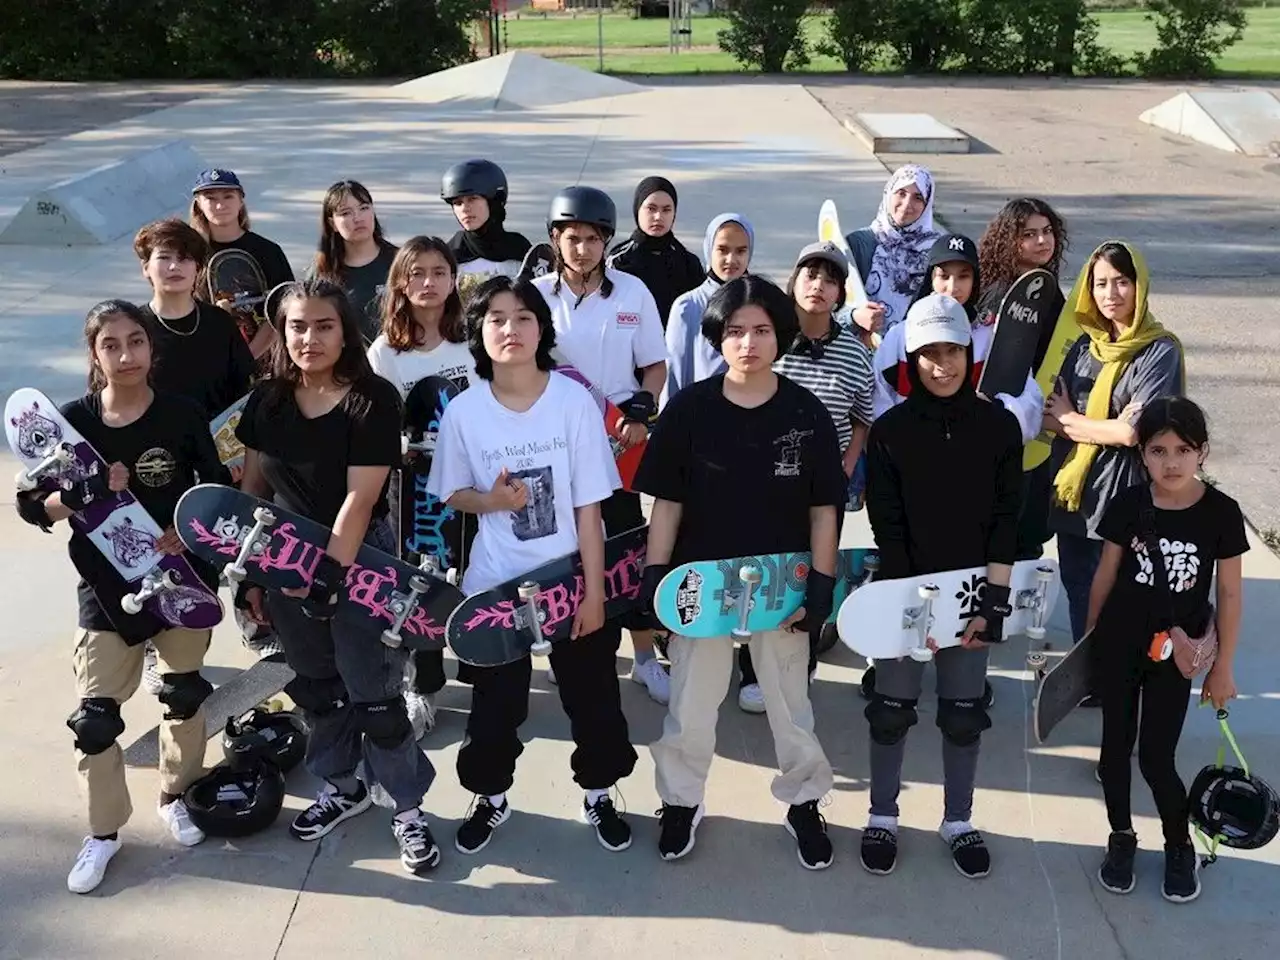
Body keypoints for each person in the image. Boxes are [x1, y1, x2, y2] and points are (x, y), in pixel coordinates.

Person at [14, 300, 230, 894]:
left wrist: (185, 534)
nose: (127, 355)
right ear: (95, 354)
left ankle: (176, 793)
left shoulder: (183, 415)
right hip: (105, 587)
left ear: (150, 348)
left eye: (136, 341)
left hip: (178, 578)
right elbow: (34, 507)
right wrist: (82, 495)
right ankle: (103, 833)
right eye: (112, 345)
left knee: (184, 695)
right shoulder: (70, 423)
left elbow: (215, 494)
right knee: (95, 720)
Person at [234, 278, 441, 876]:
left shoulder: (371, 398)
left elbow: (360, 498)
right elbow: (253, 489)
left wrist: (329, 576)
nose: (309, 338)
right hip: (283, 559)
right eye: (297, 326)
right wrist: (251, 575)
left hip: (357, 561)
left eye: (323, 326)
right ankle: (343, 787)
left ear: (345, 331)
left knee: (374, 696)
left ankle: (407, 807)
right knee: (318, 690)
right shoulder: (267, 400)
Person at [635, 275, 842, 869]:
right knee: (692, 704)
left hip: (783, 583)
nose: (747, 342)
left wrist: (821, 588)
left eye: (760, 331)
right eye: (734, 331)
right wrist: (656, 577)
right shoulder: (690, 410)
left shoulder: (806, 412)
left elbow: (823, 510)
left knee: (789, 703)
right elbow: (666, 505)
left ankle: (804, 801)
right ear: (716, 338)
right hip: (701, 581)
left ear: (780, 337)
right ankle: (681, 801)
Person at [427, 275, 638, 855]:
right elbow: (452, 493)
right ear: (478, 332)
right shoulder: (465, 412)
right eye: (495, 318)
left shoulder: (570, 401)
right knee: (494, 712)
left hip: (570, 582)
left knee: (594, 701)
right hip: (497, 588)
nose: (510, 329)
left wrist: (595, 594)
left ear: (542, 327)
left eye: (523, 316)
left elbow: (590, 508)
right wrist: (491, 501)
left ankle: (599, 791)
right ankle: (490, 796)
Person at [860, 294, 1022, 880]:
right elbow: (889, 524)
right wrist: (914, 616)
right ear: (911, 357)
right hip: (906, 590)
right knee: (890, 711)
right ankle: (882, 814)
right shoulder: (890, 431)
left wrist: (995, 603)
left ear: (969, 352)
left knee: (962, 713)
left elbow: (1008, 519)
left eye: (952, 350)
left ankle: (958, 819)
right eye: (928, 353)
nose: (942, 365)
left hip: (973, 595)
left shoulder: (999, 426)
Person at [1088, 397, 1245, 903]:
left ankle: (1178, 845)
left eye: (1183, 450)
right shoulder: (1129, 506)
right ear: (1142, 455)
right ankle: (1121, 836)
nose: (1171, 462)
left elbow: (1230, 593)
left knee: (1157, 758)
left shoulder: (1221, 512)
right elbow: (1105, 577)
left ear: (1203, 452)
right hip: (1118, 644)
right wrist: (1088, 647)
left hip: (1173, 655)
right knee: (1114, 752)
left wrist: (1223, 668)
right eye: (1158, 450)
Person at [531, 186, 670, 704]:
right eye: (573, 238)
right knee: (560, 545)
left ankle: (645, 660)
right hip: (555, 439)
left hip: (617, 440)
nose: (583, 248)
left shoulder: (633, 292)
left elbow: (654, 366)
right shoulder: (535, 297)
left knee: (626, 547)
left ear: (607, 241)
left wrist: (643, 404)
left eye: (593, 238)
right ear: (555, 240)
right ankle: (565, 643)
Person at [733, 242, 874, 715]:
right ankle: (752, 671)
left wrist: (851, 459)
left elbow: (864, 415)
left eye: (830, 279)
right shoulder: (770, 341)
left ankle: (802, 660)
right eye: (810, 274)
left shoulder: (854, 353)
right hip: (763, 482)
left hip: (821, 487)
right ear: (793, 282)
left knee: (814, 572)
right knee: (761, 573)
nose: (818, 285)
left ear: (840, 293)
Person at [1045, 242, 1185, 706]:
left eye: (1121, 281)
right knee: (1079, 586)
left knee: (1124, 592)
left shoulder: (1159, 351)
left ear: (1139, 286)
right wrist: (1089, 424)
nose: (1111, 293)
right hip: (1077, 490)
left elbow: (1133, 432)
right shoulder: (1084, 348)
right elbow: (1051, 415)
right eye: (1100, 283)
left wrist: (1075, 421)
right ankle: (1091, 674)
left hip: (1127, 494)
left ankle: (1120, 674)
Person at [367, 236, 476, 739]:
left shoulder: (473, 339)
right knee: (422, 579)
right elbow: (374, 421)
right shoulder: (387, 352)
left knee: (475, 574)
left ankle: (482, 659)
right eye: (417, 273)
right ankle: (424, 683)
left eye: (439, 271)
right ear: (400, 283)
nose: (428, 283)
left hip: (474, 484)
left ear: (454, 278)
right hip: (415, 492)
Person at [977, 198, 1071, 561]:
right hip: (1005, 426)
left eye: (1047, 232)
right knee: (1009, 527)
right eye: (1029, 234)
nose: (1042, 241)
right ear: (1009, 240)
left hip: (1037, 423)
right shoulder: (1002, 291)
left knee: (1028, 527)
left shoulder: (1043, 287)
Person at [133, 218, 254, 421]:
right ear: (146, 267)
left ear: (197, 268)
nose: (174, 267)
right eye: (164, 257)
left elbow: (243, 387)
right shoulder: (133, 327)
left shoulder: (219, 322)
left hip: (219, 442)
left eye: (184, 259)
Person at [189, 167, 295, 360]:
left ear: (240, 200)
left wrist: (246, 358)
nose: (220, 205)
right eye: (211, 198)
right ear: (198, 204)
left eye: (228, 196)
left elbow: (284, 309)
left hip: (267, 360)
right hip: (207, 359)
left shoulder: (268, 251)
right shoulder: (189, 254)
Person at [663, 212, 754, 403]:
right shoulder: (688, 306)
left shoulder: (759, 302)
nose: (731, 259)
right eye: (722, 250)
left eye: (741, 251)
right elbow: (673, 374)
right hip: (700, 417)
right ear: (709, 250)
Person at [844, 163, 942, 340]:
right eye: (901, 193)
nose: (907, 204)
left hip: (908, 355)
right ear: (889, 193)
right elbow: (831, 303)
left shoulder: (936, 251)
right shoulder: (858, 243)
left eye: (918, 198)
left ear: (927, 205)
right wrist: (854, 316)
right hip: (858, 351)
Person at [308, 179, 398, 346]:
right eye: (346, 213)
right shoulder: (322, 271)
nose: (358, 218)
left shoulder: (400, 261)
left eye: (364, 208)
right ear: (332, 223)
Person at [607, 175, 704, 327]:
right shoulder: (620, 260)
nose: (658, 217)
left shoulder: (688, 263)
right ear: (638, 210)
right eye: (651, 209)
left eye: (666, 210)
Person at [441, 159, 531, 292]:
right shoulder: (450, 255)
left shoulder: (520, 250)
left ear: (493, 201)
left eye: (472, 199)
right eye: (458, 203)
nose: (465, 209)